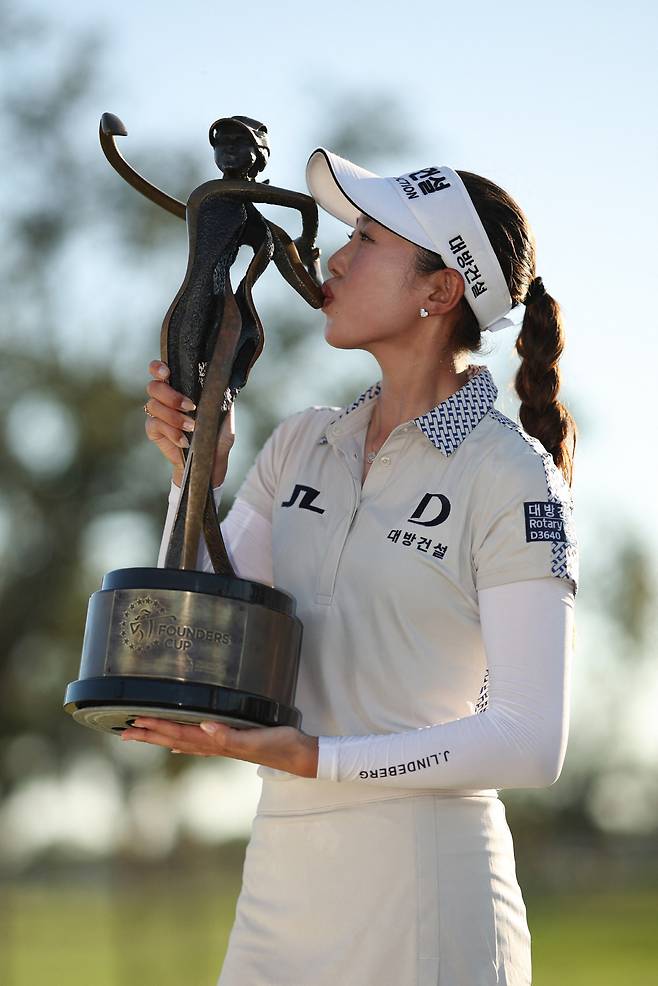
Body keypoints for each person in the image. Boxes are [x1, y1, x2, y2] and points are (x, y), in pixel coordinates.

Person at [127, 149, 579, 985]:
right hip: (281, 877)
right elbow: (195, 648)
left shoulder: (509, 472)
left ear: (438, 292)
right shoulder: (303, 439)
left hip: (425, 888)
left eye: (365, 237)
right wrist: (193, 472)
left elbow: (530, 741)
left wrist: (319, 757)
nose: (335, 256)